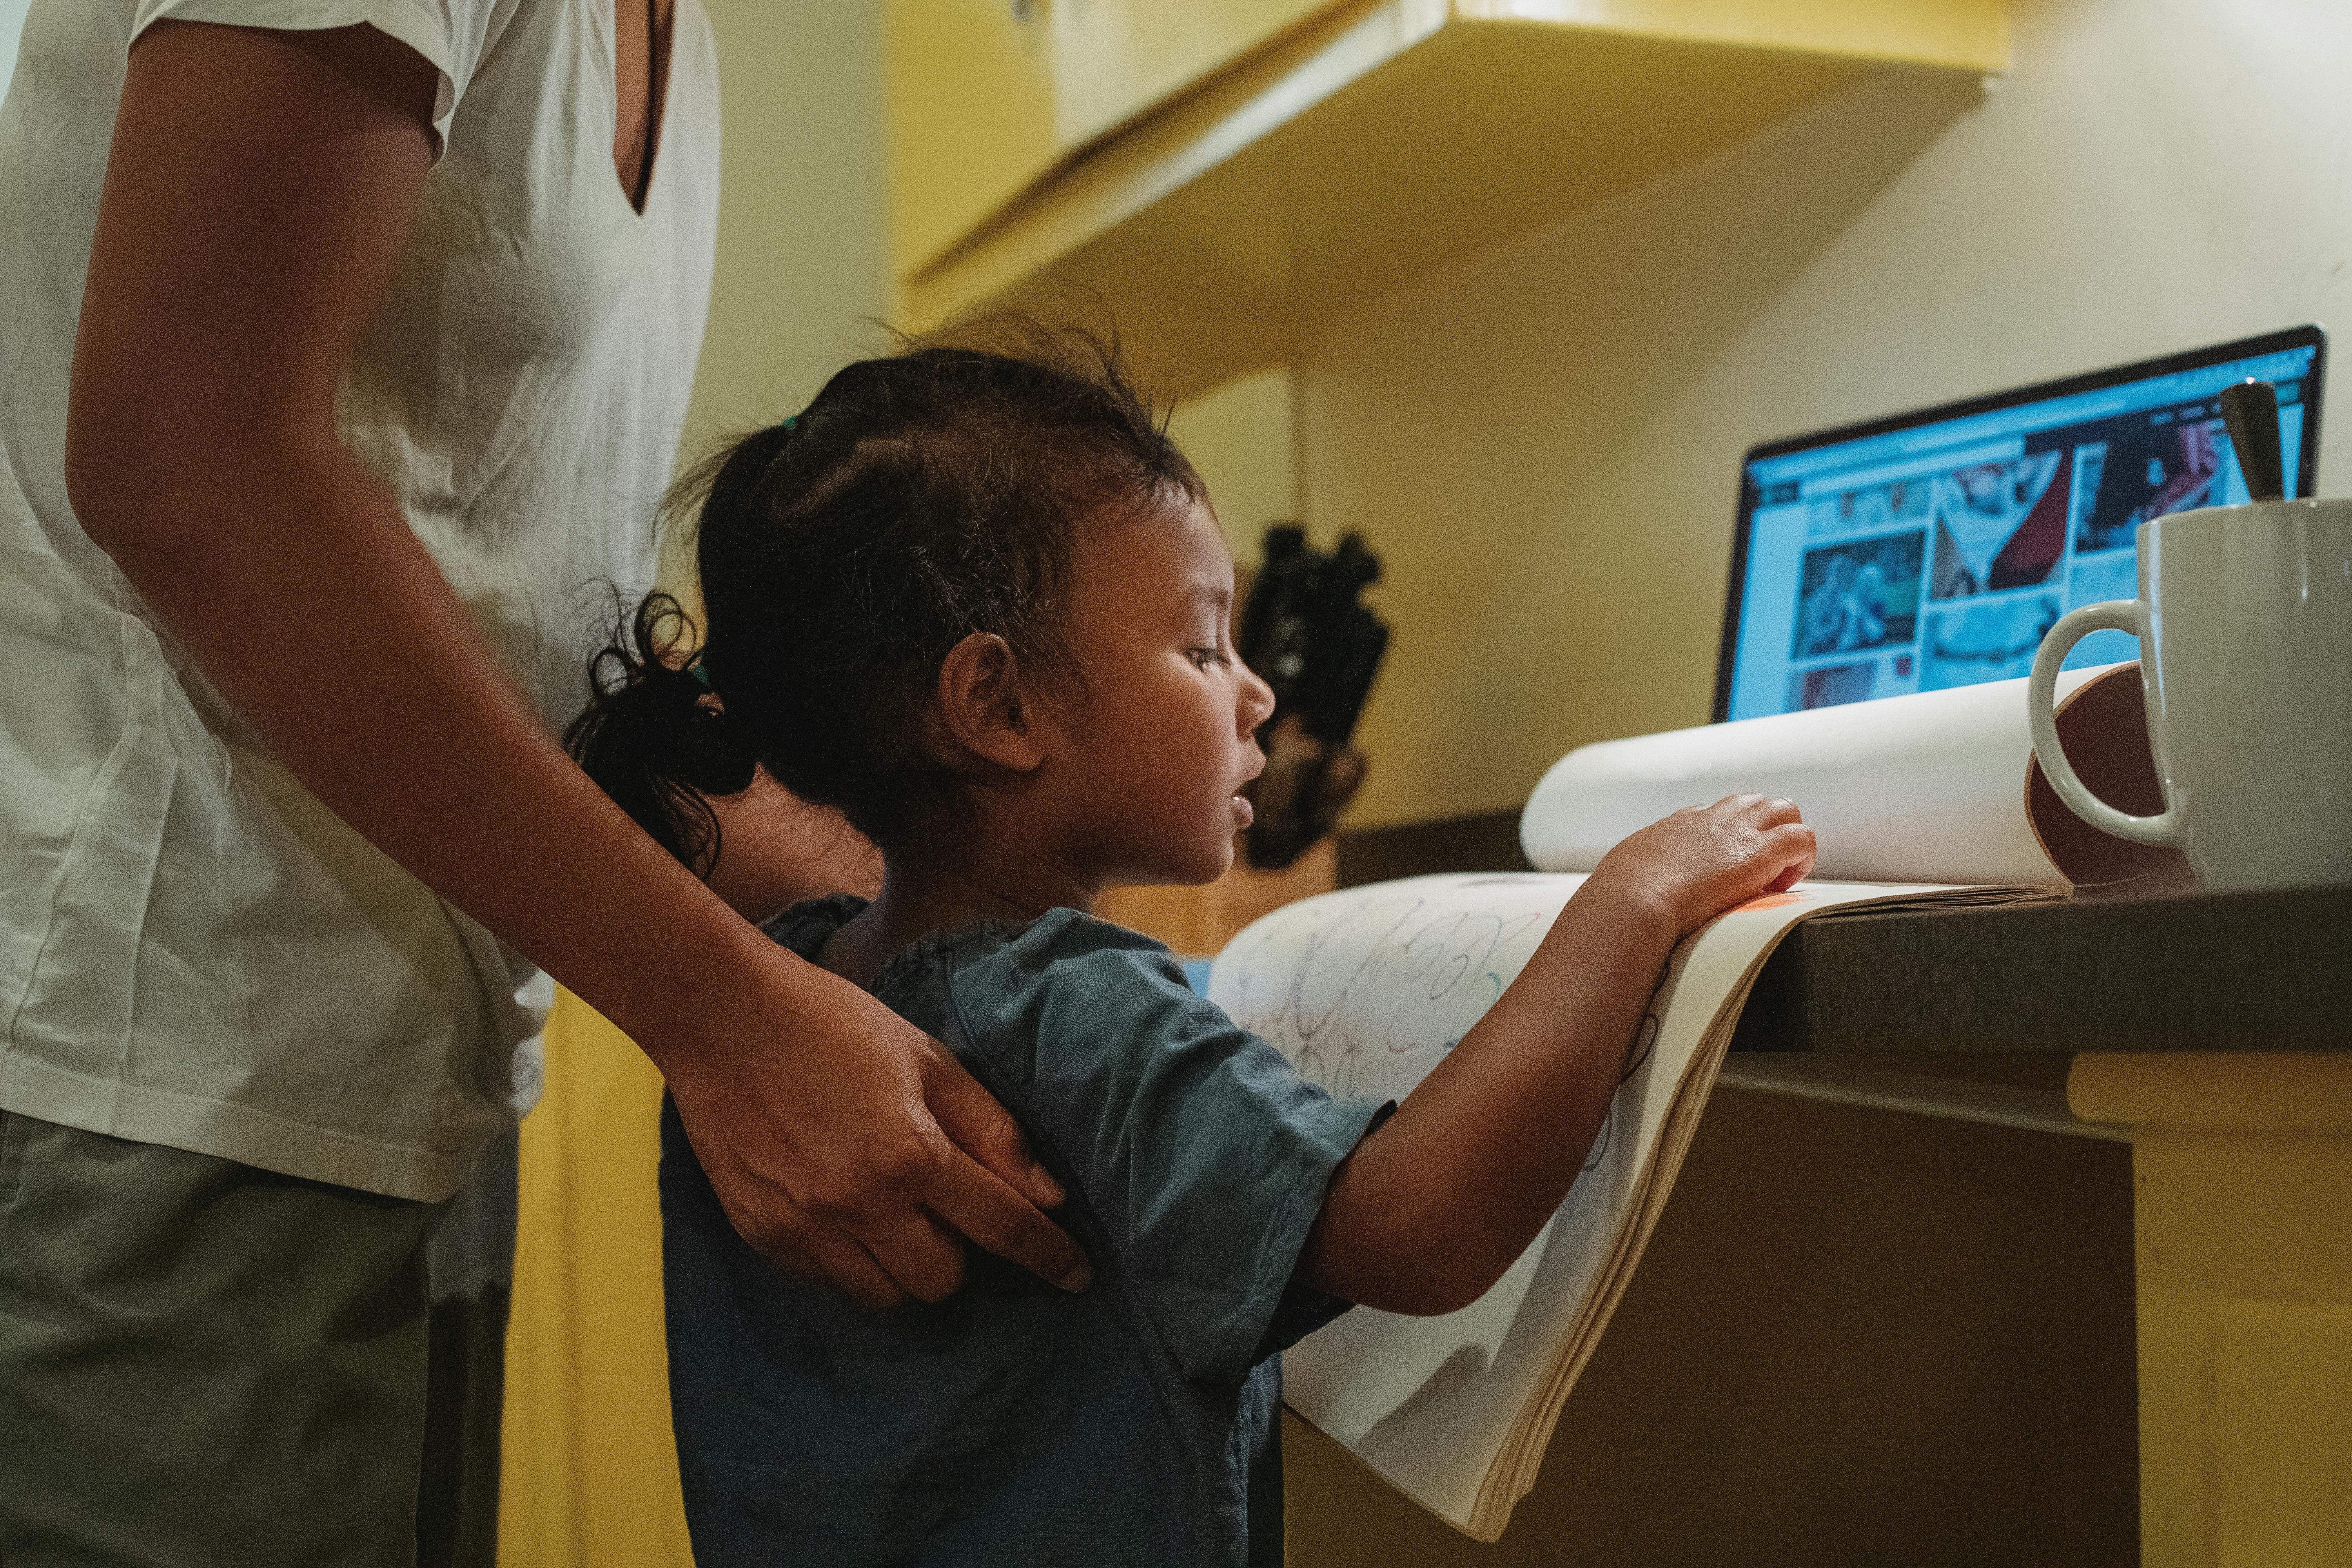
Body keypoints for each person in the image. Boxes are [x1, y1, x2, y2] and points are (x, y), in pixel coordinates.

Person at [0, 6, 1079, 1565]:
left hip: (406, 1095)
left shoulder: (678, 41)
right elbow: (190, 464)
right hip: (150, 1076)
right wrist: (725, 1013)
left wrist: (930, 906)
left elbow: (517, 617)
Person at [568, 328, 1817, 1567]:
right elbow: (1416, 1228)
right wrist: (1633, 898)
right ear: (998, 707)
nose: (1256, 694)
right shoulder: (1071, 1008)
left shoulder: (797, 992)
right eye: (1203, 645)